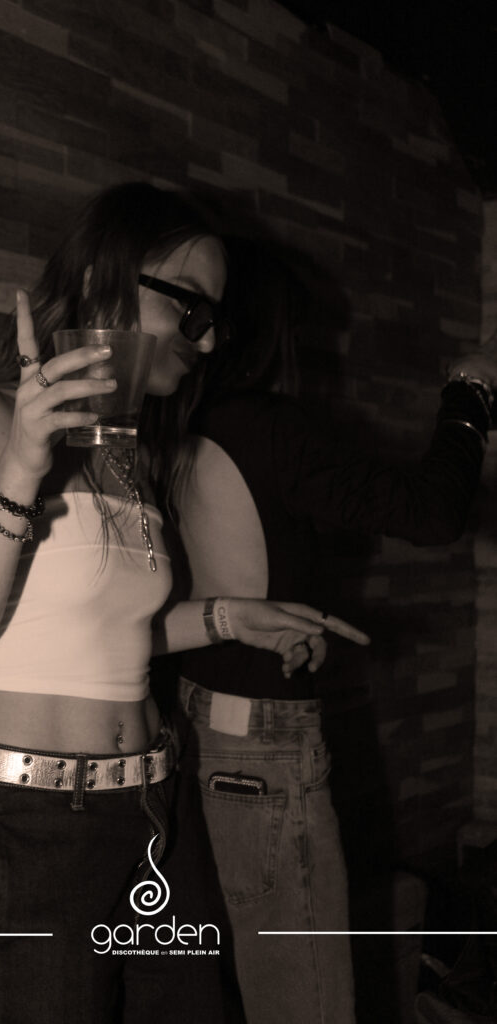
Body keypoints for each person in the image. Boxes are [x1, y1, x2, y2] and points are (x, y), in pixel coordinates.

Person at [0, 185, 367, 1024]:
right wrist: (19, 468)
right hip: (31, 818)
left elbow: (100, 635)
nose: (208, 338)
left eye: (215, 319)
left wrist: (230, 616)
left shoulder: (125, 455)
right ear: (102, 280)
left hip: (154, 803)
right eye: (192, 309)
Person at [173, 236, 497, 1024]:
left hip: (194, 722)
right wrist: (470, 388)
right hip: (259, 746)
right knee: (305, 1001)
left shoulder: (178, 421)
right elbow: (431, 513)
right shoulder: (267, 426)